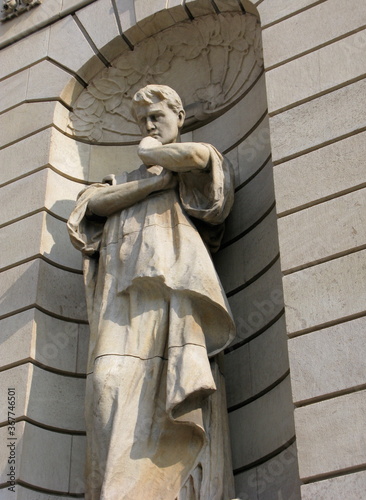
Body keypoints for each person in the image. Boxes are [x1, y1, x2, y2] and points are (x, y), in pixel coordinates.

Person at [67, 85, 236, 500]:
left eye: (157, 116)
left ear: (179, 116)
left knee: (175, 391)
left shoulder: (192, 166)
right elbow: (92, 207)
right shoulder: (122, 183)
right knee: (106, 387)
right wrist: (150, 185)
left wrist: (152, 155)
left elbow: (201, 161)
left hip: (176, 300)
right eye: (142, 120)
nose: (148, 125)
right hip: (120, 307)